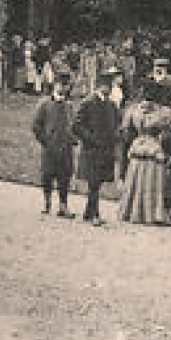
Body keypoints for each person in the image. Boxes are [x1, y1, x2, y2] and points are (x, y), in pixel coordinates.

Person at [117, 80, 171, 225]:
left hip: (138, 145)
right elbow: (167, 135)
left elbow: (127, 135)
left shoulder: (134, 110)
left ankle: (132, 211)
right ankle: (151, 214)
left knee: (136, 177)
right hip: (154, 146)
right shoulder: (163, 112)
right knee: (152, 179)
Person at [72, 69, 119, 225]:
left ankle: (89, 212)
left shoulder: (111, 105)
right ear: (99, 86)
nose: (109, 88)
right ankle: (95, 214)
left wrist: (116, 137)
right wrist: (90, 138)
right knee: (93, 181)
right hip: (92, 149)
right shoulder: (88, 103)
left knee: (97, 183)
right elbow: (77, 126)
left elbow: (116, 124)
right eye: (106, 85)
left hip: (106, 150)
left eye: (110, 85)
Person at [32, 75, 78, 217]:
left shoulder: (69, 106)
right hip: (50, 147)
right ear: (55, 85)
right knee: (47, 175)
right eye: (61, 84)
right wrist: (45, 140)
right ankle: (47, 202)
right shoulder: (44, 104)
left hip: (65, 147)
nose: (63, 88)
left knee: (64, 176)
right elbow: (36, 125)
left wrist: (73, 139)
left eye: (66, 85)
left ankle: (63, 206)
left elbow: (73, 125)